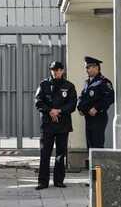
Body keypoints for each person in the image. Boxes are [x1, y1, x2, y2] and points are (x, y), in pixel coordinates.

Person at [34, 61, 77, 190]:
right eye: (53, 70)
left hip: (62, 125)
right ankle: (43, 182)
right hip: (47, 125)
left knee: (60, 154)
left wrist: (59, 111)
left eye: (58, 70)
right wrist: (50, 110)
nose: (56, 72)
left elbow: (72, 104)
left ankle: (59, 181)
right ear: (50, 71)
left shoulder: (69, 86)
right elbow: (38, 101)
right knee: (45, 154)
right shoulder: (44, 84)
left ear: (62, 71)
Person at [77, 56, 114, 154]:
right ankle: (92, 169)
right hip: (88, 118)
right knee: (90, 146)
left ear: (96, 67)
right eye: (86, 67)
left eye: (88, 67)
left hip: (98, 117)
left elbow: (110, 98)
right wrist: (80, 108)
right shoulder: (87, 82)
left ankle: (98, 170)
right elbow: (82, 97)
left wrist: (96, 108)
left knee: (97, 147)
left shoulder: (104, 82)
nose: (86, 70)